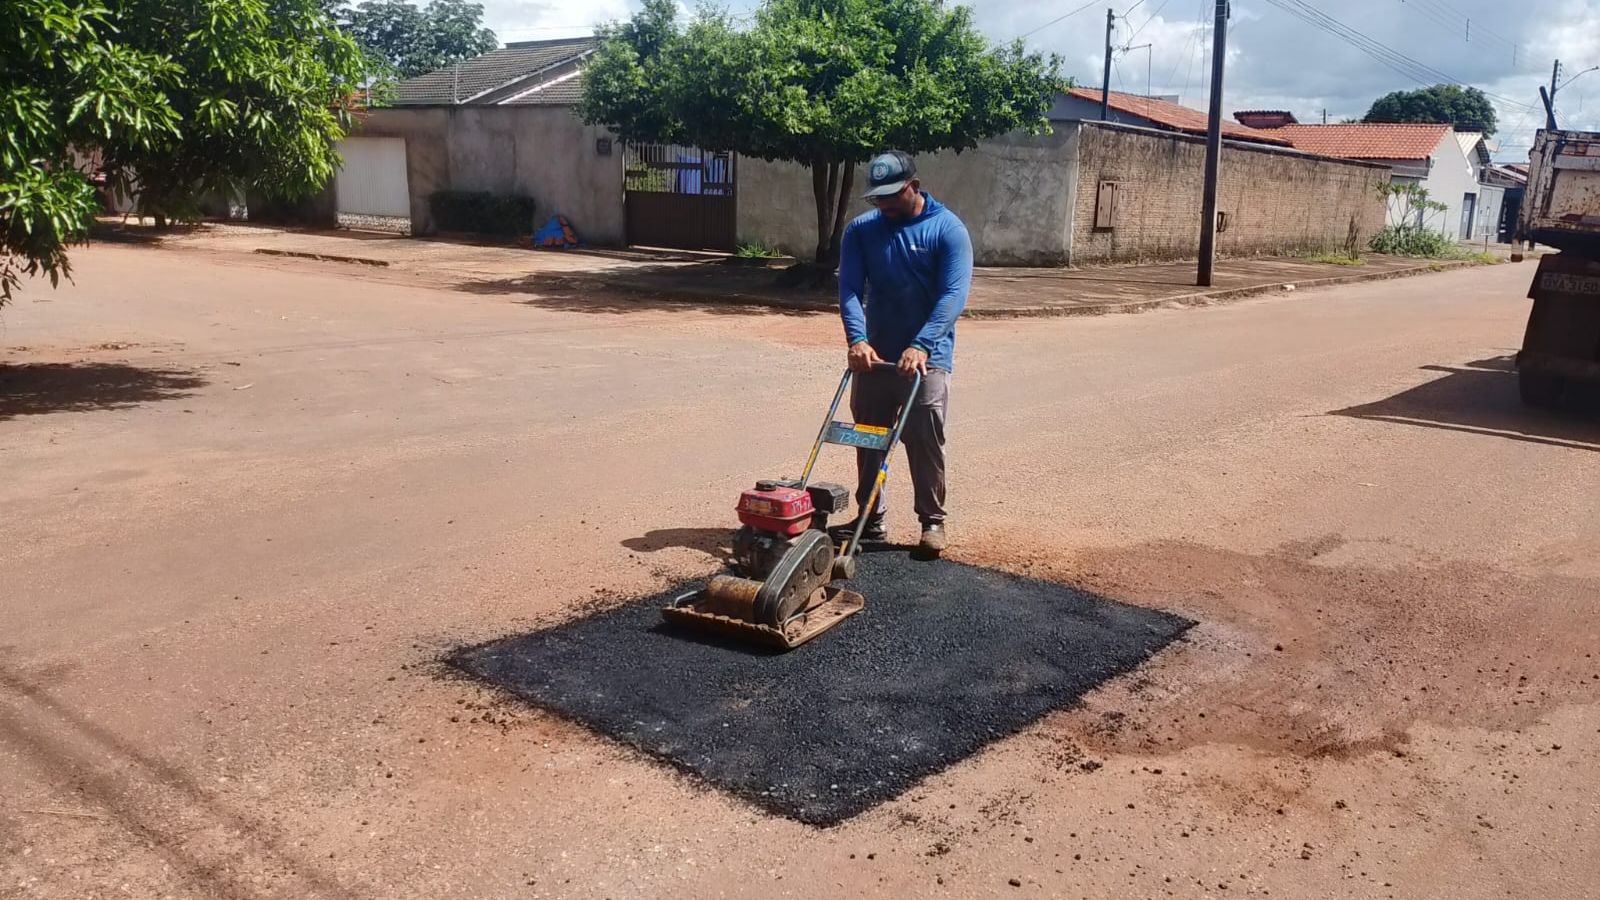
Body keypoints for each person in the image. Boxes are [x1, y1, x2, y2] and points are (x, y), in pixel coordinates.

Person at [831, 150, 972, 555]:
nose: (885, 203)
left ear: (914, 185)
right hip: (874, 355)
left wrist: (921, 344)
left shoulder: (947, 230)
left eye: (892, 195)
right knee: (869, 436)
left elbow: (953, 295)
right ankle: (870, 520)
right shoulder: (860, 231)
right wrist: (857, 340)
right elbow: (851, 290)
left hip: (927, 358)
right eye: (878, 197)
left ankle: (932, 522)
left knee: (923, 437)